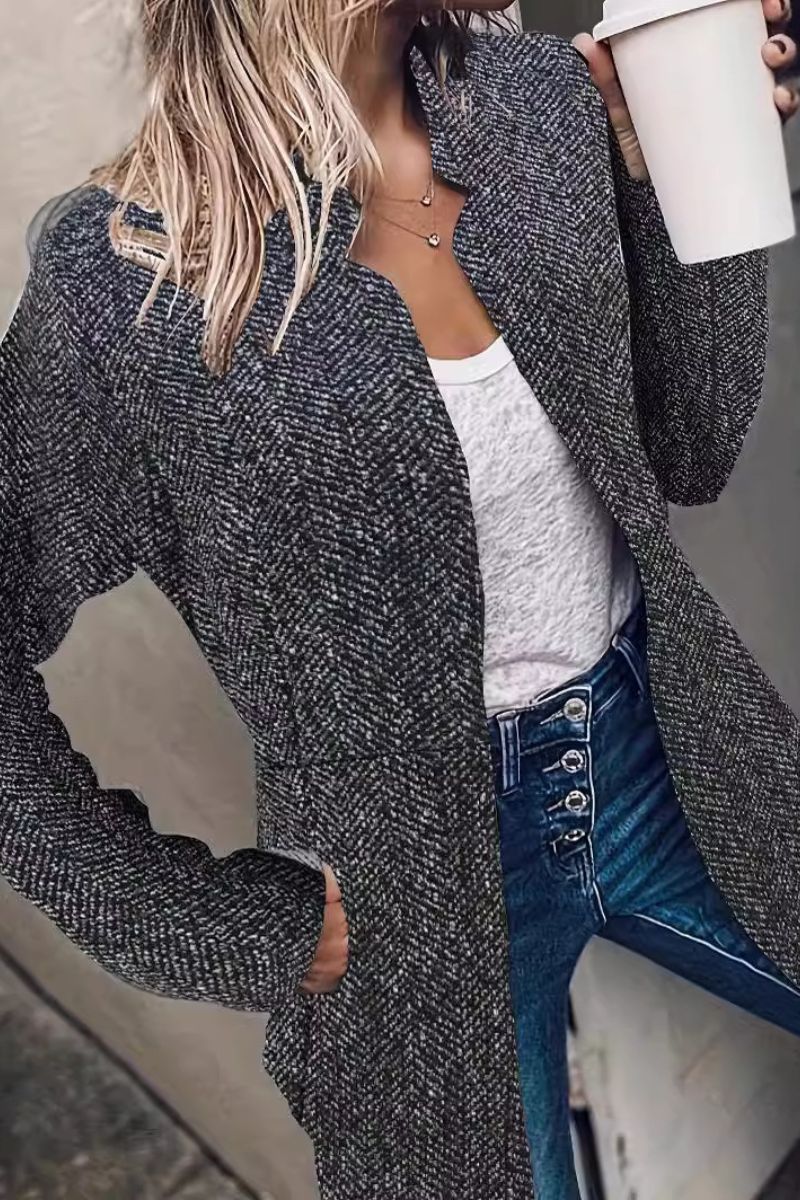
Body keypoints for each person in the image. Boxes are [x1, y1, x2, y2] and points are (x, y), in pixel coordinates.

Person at [1, 1, 798, 1198]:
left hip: (664, 743)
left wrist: (677, 171)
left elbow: (686, 448)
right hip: (404, 886)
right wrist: (192, 919)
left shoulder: (536, 105)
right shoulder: (125, 283)